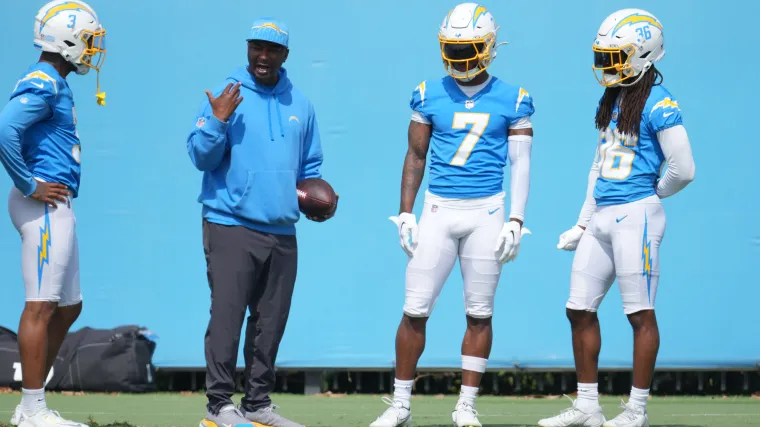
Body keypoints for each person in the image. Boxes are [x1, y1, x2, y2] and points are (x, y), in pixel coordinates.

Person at [370, 3, 535, 426]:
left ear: (489, 46)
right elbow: (415, 155)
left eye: (470, 48)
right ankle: (401, 404)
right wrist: (406, 212)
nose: (461, 58)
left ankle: (466, 405)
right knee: (414, 308)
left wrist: (516, 218)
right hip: (439, 209)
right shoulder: (428, 92)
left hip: (487, 211)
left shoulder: (514, 98)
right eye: (454, 49)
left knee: (480, 312)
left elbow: (521, 163)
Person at [538, 8, 695, 427]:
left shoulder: (660, 103)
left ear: (644, 53)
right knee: (578, 309)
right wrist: (583, 221)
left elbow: (684, 169)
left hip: (635, 215)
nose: (608, 65)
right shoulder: (616, 98)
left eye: (616, 56)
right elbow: (599, 166)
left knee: (639, 313)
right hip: (604, 216)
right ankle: (588, 407)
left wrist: (647, 196)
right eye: (605, 56)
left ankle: (636, 410)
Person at [186, 17, 336, 427]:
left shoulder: (300, 105)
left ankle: (257, 405)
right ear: (248, 49)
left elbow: (310, 167)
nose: (263, 57)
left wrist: (316, 199)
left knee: (270, 323)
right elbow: (200, 156)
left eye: (272, 50)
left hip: (282, 230)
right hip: (230, 223)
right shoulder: (227, 95)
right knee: (227, 317)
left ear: (285, 55)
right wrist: (217, 121)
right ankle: (218, 406)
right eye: (256, 47)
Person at [0, 1, 107, 426]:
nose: (92, 49)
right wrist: (30, 183)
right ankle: (31, 409)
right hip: (43, 203)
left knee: (68, 307)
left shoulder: (54, 81)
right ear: (67, 38)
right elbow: (5, 128)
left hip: (57, 204)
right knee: (41, 306)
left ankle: (34, 396)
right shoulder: (44, 81)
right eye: (88, 39)